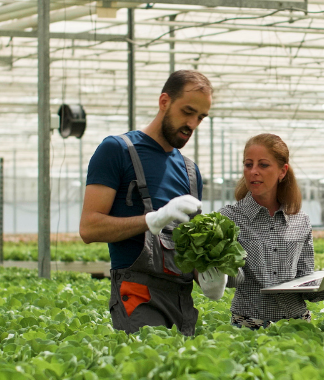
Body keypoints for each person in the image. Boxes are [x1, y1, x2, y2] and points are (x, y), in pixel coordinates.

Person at [80, 70, 220, 336]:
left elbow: (188, 247)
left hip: (182, 300)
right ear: (164, 101)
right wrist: (152, 219)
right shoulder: (117, 150)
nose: (192, 123)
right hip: (138, 295)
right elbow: (89, 228)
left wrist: (209, 275)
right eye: (187, 111)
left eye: (200, 117)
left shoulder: (190, 171)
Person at [213, 133, 324, 329]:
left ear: (282, 171)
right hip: (249, 326)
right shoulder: (230, 218)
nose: (253, 171)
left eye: (263, 165)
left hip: (298, 325)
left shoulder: (300, 220)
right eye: (248, 164)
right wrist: (216, 270)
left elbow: (304, 281)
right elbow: (234, 279)